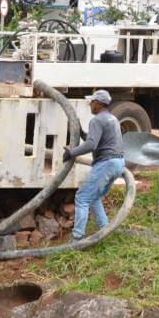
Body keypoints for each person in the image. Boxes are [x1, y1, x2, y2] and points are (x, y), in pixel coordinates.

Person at [63, 89, 126, 241]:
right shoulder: (112, 119)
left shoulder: (97, 120)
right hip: (118, 163)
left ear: (98, 104)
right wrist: (81, 132)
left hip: (106, 163)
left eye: (92, 102)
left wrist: (72, 153)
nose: (90, 104)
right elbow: (96, 140)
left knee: (82, 197)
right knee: (94, 198)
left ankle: (77, 239)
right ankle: (105, 231)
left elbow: (92, 144)